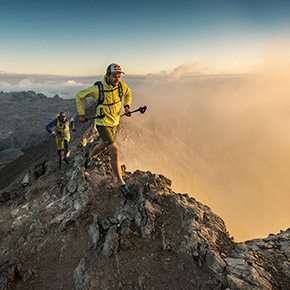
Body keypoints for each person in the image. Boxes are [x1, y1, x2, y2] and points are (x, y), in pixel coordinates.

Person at [75, 63, 132, 199]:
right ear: (108, 75)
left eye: (119, 75)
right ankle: (121, 183)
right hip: (102, 123)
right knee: (114, 149)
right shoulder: (98, 89)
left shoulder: (121, 86)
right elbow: (79, 95)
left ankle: (89, 157)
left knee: (103, 145)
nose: (117, 78)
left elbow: (128, 93)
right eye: (114, 75)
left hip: (114, 122)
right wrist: (81, 114)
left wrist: (127, 106)